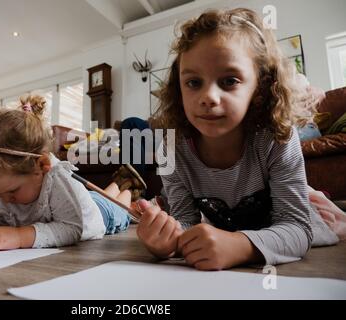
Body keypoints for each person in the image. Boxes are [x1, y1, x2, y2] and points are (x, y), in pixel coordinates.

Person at [136, 8, 340, 270]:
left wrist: (241, 246)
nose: (208, 96)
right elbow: (184, 220)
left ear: (261, 86)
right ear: (179, 88)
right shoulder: (170, 150)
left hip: (282, 232)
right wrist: (166, 240)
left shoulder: (276, 138)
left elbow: (297, 228)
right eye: (194, 82)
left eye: (229, 80)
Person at [0, 95, 131, 251]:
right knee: (101, 196)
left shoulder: (56, 177)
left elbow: (72, 228)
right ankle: (117, 185)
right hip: (80, 199)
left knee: (119, 207)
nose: (5, 202)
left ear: (41, 166)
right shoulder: (5, 189)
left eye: (12, 192)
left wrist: (20, 236)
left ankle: (129, 190)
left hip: (99, 215)